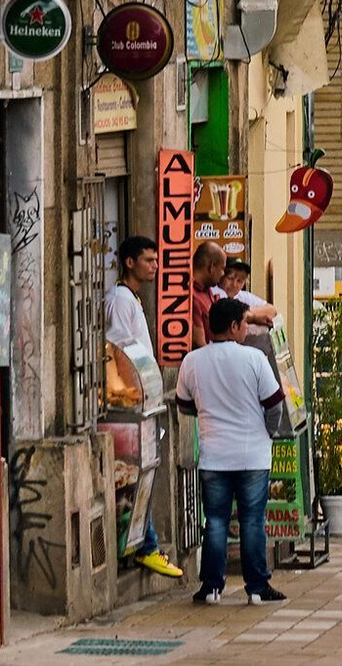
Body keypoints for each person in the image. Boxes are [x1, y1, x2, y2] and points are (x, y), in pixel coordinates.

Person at [176, 296, 286, 605]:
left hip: (214, 455)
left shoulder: (192, 361)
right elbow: (274, 403)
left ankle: (211, 587)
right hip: (253, 455)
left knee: (216, 521)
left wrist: (209, 414)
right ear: (235, 325)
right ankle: (257, 588)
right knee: (251, 520)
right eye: (246, 325)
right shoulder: (253, 359)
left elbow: (184, 404)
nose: (247, 331)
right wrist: (268, 432)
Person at [104, 235, 183, 579]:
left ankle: (144, 545)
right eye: (149, 260)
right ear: (129, 262)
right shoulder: (120, 300)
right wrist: (132, 395)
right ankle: (145, 546)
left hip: (144, 401)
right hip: (130, 402)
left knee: (143, 475)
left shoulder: (132, 299)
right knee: (136, 476)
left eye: (156, 259)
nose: (155, 266)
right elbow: (119, 351)